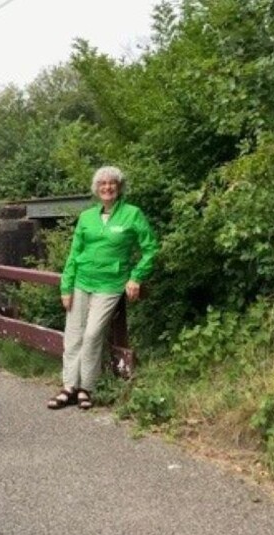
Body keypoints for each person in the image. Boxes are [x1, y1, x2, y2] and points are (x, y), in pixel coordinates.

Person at [47, 166, 158, 410]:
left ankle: (87, 387)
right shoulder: (87, 217)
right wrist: (66, 286)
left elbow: (150, 248)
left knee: (93, 334)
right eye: (102, 184)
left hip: (110, 284)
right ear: (96, 189)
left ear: (119, 188)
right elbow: (74, 254)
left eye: (112, 183)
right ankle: (69, 388)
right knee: (74, 335)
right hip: (81, 282)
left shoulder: (132, 214)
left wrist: (136, 277)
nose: (107, 187)